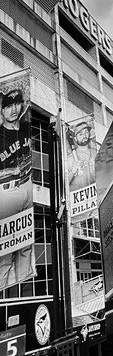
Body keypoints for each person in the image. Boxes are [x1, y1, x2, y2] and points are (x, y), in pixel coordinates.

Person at [0, 89, 34, 288]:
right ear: (2, 110)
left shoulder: (26, 127)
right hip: (6, 192)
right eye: (8, 106)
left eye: (17, 104)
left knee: (25, 246)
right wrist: (10, 170)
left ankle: (24, 291)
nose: (13, 109)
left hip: (27, 186)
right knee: (4, 249)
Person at [67, 119, 96, 191]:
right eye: (80, 134)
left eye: (86, 132)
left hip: (96, 194)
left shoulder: (95, 153)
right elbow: (64, 183)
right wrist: (73, 170)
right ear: (75, 139)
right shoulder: (70, 158)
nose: (84, 136)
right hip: (78, 197)